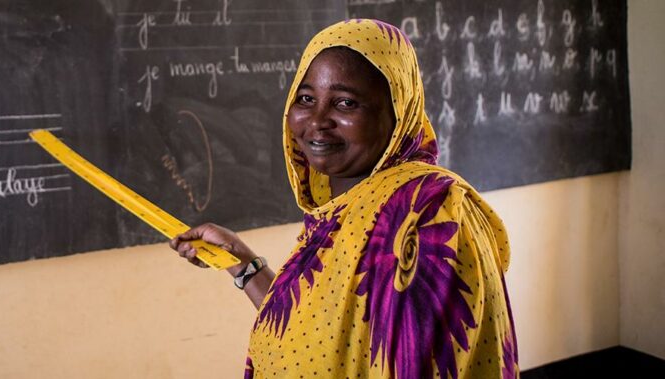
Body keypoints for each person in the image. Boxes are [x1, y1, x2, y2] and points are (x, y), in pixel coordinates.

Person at [170, 19, 518, 379]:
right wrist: (243, 263)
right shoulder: (336, 217)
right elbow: (320, 340)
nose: (318, 120)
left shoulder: (431, 213)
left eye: (346, 103)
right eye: (306, 99)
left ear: (398, 111)